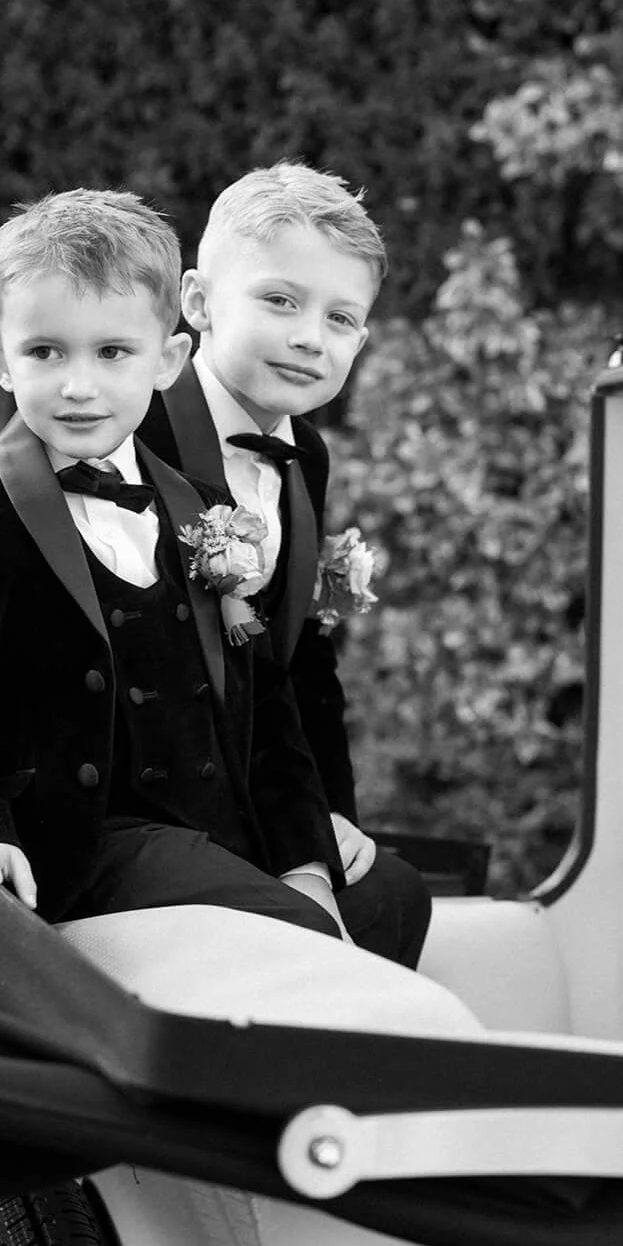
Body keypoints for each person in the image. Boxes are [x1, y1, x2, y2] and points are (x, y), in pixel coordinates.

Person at [0, 187, 347, 952]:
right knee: (298, 939)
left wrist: (304, 860)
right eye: (46, 351)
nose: (78, 385)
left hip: (214, 836)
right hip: (72, 845)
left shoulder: (202, 504)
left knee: (380, 902)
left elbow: (269, 706)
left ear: (168, 360)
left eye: (112, 352)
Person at [138, 160, 432, 969]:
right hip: (154, 794)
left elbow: (297, 661)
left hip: (260, 782)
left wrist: (329, 820)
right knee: (290, 928)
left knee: (396, 894)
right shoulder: (135, 429)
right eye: (280, 300)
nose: (311, 336)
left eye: (342, 319)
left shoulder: (305, 453)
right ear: (196, 302)